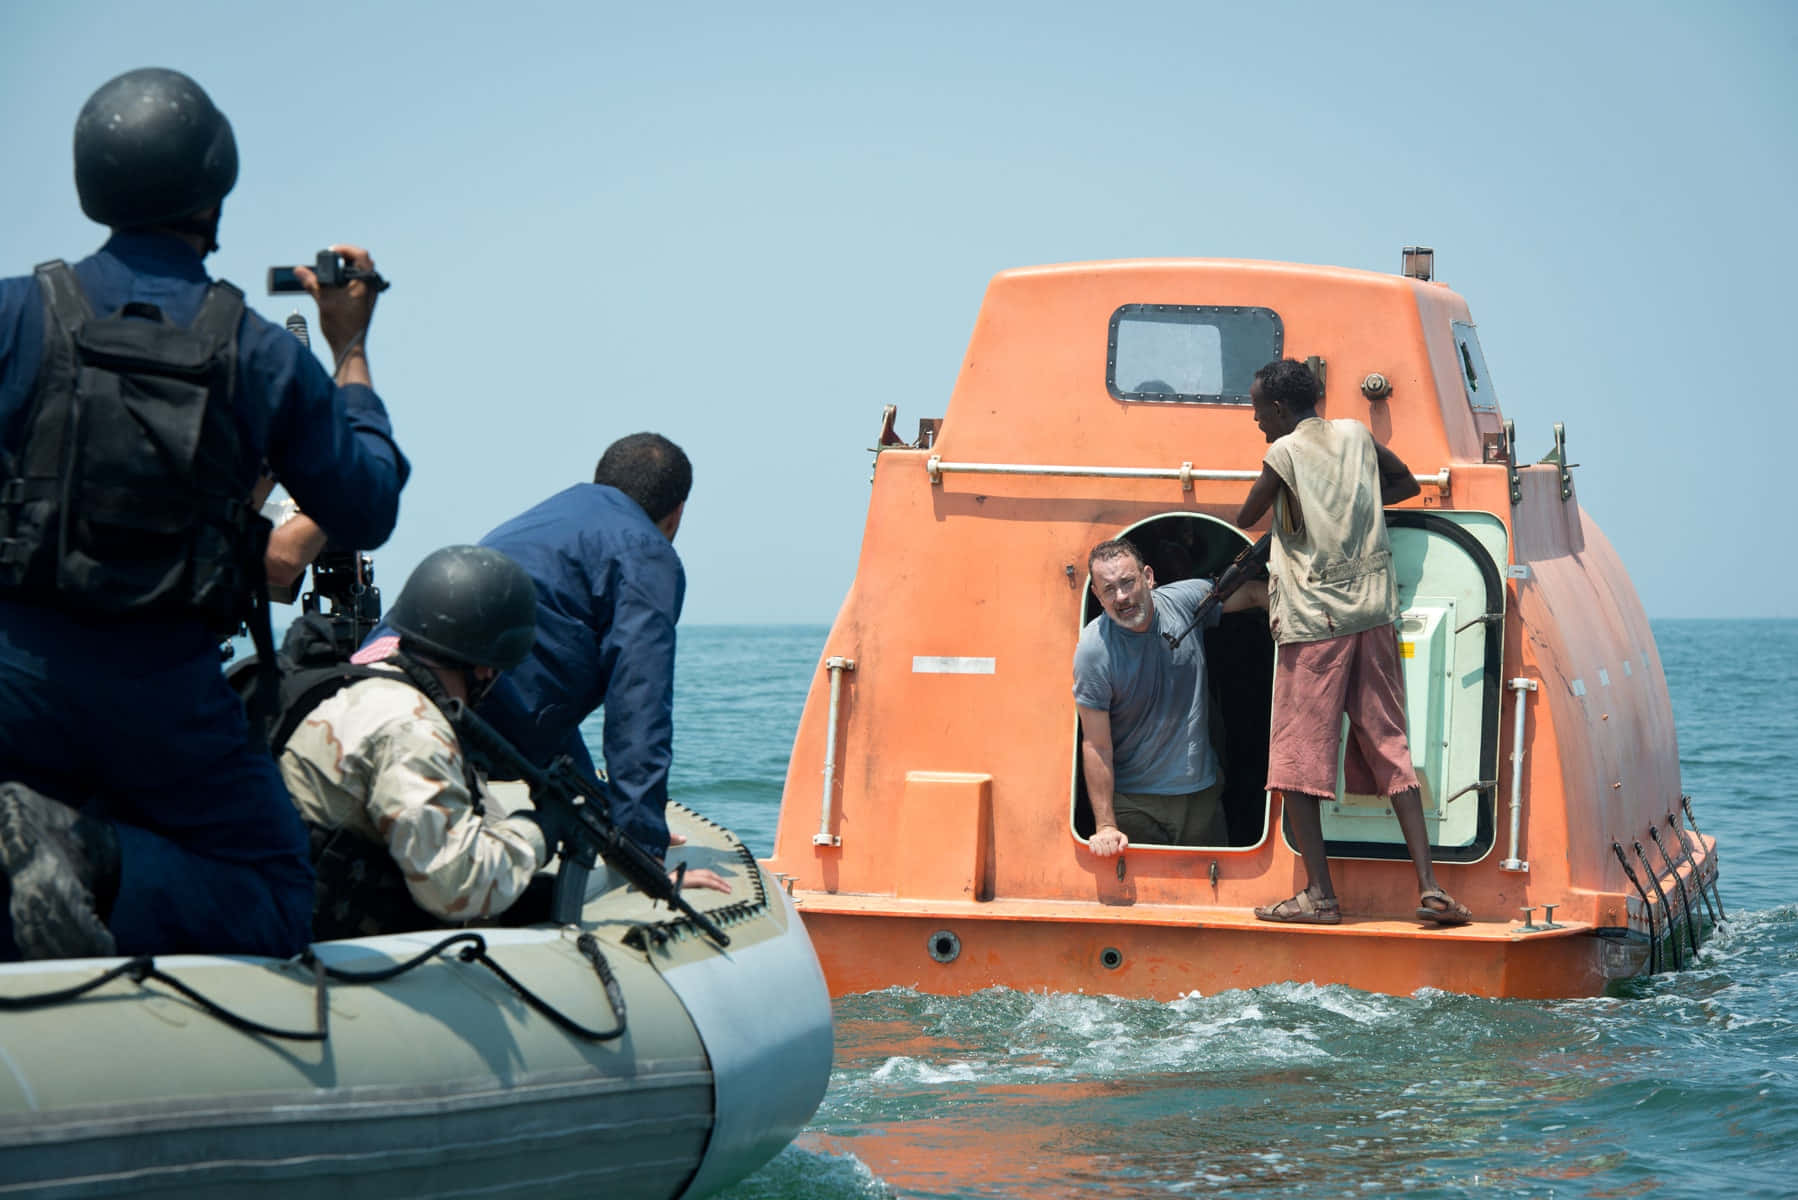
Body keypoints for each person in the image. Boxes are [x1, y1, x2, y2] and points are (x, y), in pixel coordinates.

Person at [0, 68, 408, 960]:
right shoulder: (260, 357)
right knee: (272, 894)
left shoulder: (14, 315)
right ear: (215, 188)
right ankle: (89, 854)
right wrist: (351, 348)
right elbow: (368, 505)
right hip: (167, 697)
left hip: (13, 679)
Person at [280, 546, 726, 941]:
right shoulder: (412, 727)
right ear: (484, 669)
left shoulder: (365, 688)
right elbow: (456, 886)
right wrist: (542, 829)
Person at [357, 432, 690, 860]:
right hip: (438, 719)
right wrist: (642, 847)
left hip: (366, 684)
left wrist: (606, 812)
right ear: (676, 514)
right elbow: (639, 706)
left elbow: (540, 698)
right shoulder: (647, 554)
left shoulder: (544, 521)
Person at [1235, 358, 1471, 926]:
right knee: (1392, 746)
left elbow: (1247, 516)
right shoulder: (1357, 436)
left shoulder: (1284, 453)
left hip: (1315, 625)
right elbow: (1406, 484)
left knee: (1297, 762)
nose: (1256, 420)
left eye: (1259, 409)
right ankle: (1431, 887)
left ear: (1281, 409)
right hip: (1373, 614)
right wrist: (1353, 498)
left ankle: (1319, 896)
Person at [1074, 538, 1267, 856]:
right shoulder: (1094, 650)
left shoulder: (1182, 600)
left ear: (1147, 577)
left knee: (1209, 897)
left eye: (1128, 582)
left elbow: (1253, 593)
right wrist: (1106, 825)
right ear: (1096, 595)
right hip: (1135, 804)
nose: (1122, 597)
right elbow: (1096, 744)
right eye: (1109, 589)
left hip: (1199, 797)